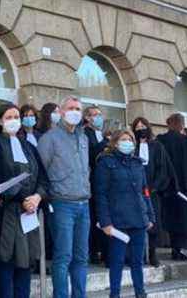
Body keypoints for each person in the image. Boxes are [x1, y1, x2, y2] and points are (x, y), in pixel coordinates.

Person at [0, 103, 46, 298]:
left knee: (26, 263)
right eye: (9, 117)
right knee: (7, 263)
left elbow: (43, 178)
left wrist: (36, 197)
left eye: (16, 117)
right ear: (0, 120)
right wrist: (22, 198)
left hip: (29, 211)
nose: (14, 121)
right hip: (7, 213)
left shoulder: (27, 144)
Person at [38, 96, 91, 298]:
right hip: (61, 205)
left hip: (83, 204)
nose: (75, 112)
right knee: (63, 257)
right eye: (71, 108)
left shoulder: (83, 138)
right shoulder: (49, 138)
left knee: (81, 257)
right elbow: (42, 171)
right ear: (60, 112)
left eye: (78, 109)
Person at [95, 130, 154, 298]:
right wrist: (105, 221)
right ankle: (115, 294)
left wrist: (150, 215)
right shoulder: (106, 162)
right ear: (114, 142)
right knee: (117, 261)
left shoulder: (137, 163)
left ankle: (140, 293)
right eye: (123, 139)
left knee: (137, 261)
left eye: (130, 140)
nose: (127, 142)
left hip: (138, 218)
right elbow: (101, 194)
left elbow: (145, 191)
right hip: (117, 221)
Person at [157, 113, 187, 261]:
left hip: (168, 188)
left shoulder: (161, 141)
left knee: (172, 219)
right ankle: (184, 248)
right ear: (181, 125)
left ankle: (175, 249)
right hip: (185, 188)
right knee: (186, 219)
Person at [131, 117, 175, 267]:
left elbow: (163, 168)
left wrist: (155, 186)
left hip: (152, 191)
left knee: (153, 222)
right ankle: (137, 254)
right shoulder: (132, 146)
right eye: (137, 127)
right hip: (134, 190)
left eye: (143, 126)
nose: (140, 129)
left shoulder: (156, 146)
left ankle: (152, 252)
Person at [83, 104, 108, 265]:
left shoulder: (103, 134)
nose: (98, 117)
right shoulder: (86, 134)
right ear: (87, 118)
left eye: (99, 114)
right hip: (91, 181)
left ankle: (103, 250)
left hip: (106, 181)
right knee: (93, 217)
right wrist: (104, 143)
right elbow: (90, 154)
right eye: (94, 114)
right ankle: (93, 251)